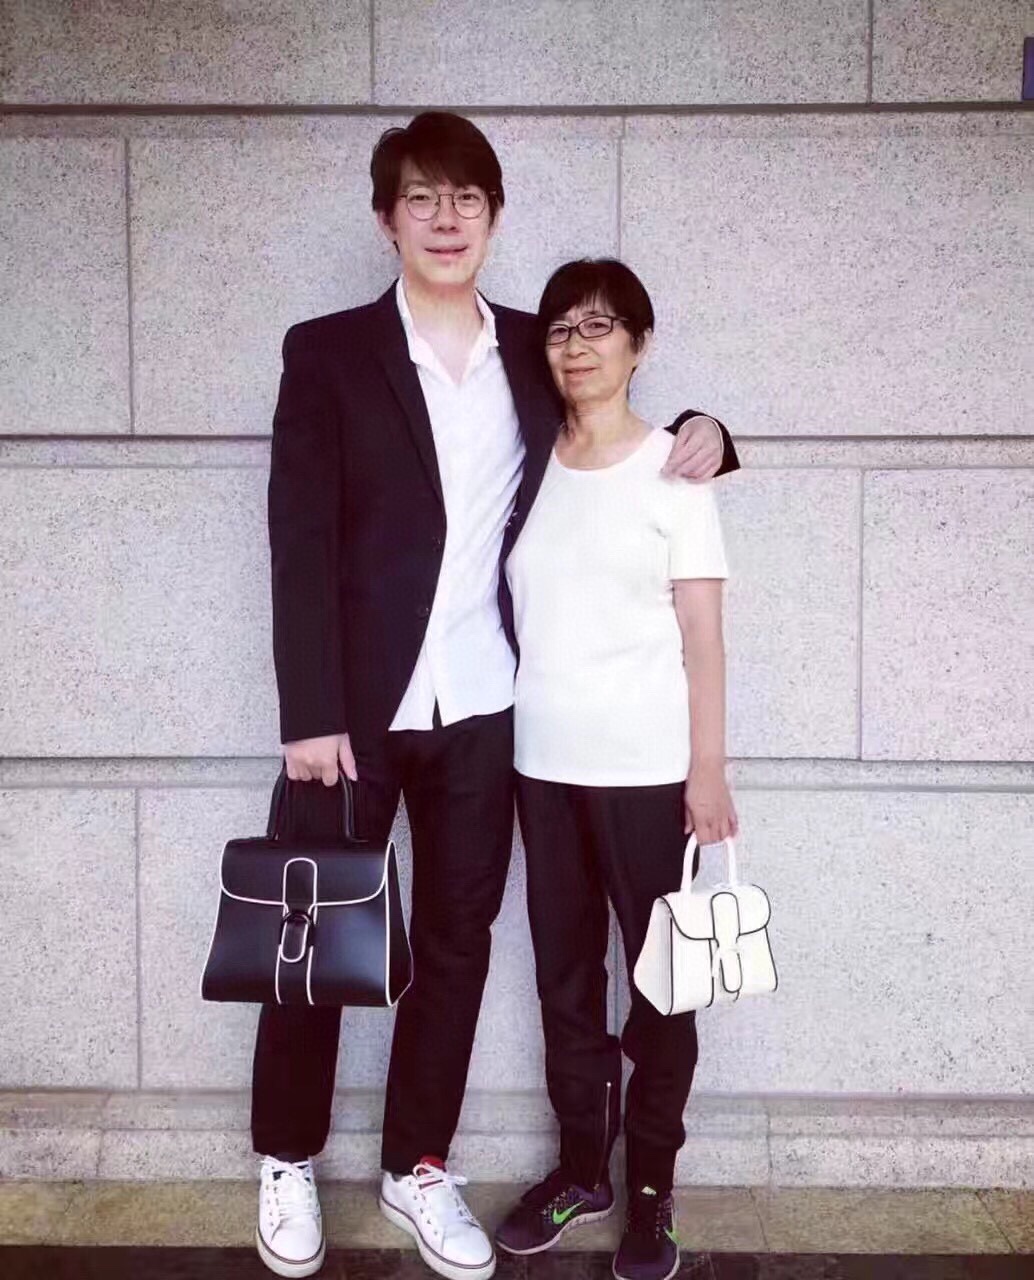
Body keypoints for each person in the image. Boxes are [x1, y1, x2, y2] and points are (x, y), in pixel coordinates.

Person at [255, 113, 739, 1280]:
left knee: (456, 946)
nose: (445, 219)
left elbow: (621, 420)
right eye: (421, 198)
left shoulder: (532, 346)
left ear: (493, 216)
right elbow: (296, 534)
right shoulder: (326, 351)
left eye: (466, 198)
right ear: (387, 218)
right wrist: (307, 707)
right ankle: (285, 1155)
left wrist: (713, 432)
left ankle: (415, 1162)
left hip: (483, 709)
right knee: (310, 936)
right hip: (350, 717)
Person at [495, 258, 738, 1280]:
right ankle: (581, 1169)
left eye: (600, 327)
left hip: (649, 776)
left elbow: (704, 640)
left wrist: (706, 770)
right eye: (561, 328)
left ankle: (650, 1192)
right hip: (541, 770)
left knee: (661, 989)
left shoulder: (675, 473)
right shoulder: (526, 460)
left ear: (640, 345)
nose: (577, 344)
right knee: (564, 982)